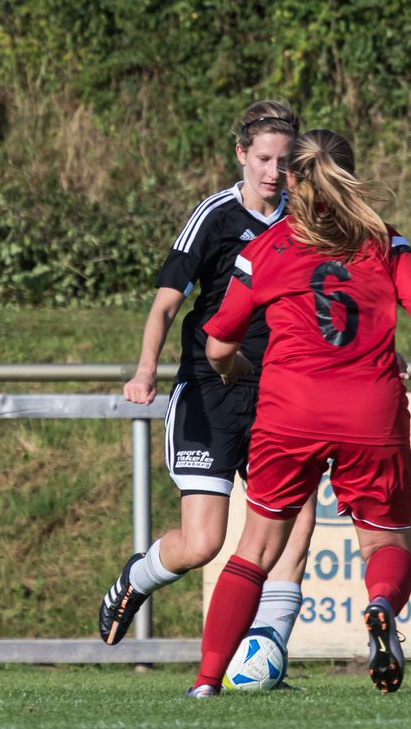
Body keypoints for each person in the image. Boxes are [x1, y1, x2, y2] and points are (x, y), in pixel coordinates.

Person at [187, 129, 411, 697]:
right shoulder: (384, 242)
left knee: (256, 550)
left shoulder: (265, 249)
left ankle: (205, 681)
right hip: (372, 409)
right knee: (385, 544)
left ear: (292, 178)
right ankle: (378, 606)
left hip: (288, 410)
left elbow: (217, 344)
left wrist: (235, 369)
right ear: (347, 173)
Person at [98, 100, 317, 658]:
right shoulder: (214, 215)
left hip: (279, 392)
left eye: (285, 162)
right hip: (210, 388)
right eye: (264, 159)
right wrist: (146, 369)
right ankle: (136, 579)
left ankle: (266, 655)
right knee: (202, 543)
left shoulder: (308, 216)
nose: (274, 172)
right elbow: (167, 303)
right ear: (242, 154)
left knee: (293, 528)